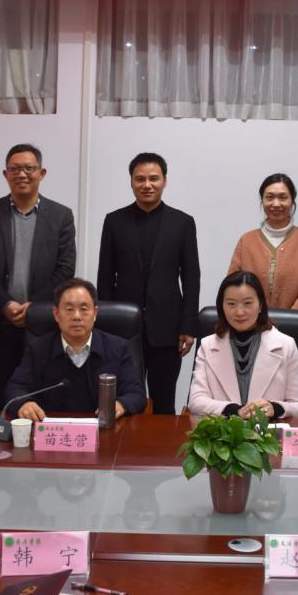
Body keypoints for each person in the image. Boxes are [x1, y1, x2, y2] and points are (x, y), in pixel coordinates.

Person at [0, 144, 76, 405]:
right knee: (1, 399)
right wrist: (6, 304)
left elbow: (65, 268)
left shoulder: (61, 215)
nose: (22, 174)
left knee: (44, 398)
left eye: (29, 168)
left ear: (42, 173)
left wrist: (34, 307)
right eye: (15, 169)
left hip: (43, 325)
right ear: (5, 174)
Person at [97, 152, 200, 415]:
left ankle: (162, 443)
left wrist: (188, 326)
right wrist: (105, 322)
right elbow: (105, 276)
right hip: (123, 329)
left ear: (165, 181)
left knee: (164, 401)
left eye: (154, 178)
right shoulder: (114, 221)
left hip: (167, 328)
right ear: (131, 182)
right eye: (140, 179)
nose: (147, 185)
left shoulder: (182, 223)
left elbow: (191, 278)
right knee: (123, 399)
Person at [5, 278, 146, 420]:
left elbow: (136, 393)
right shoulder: (39, 348)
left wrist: (121, 404)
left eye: (84, 309)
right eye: (69, 309)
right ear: (56, 314)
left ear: (95, 313)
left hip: (102, 427)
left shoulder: (119, 348)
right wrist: (24, 403)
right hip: (52, 428)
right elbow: (16, 387)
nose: (76, 316)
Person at [188, 270, 298, 419]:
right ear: (221, 306)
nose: (239, 312)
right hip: (223, 431)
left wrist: (275, 408)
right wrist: (234, 410)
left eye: (247, 303)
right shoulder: (207, 346)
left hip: (269, 430)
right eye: (231, 304)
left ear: (261, 305)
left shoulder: (286, 345)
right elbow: (196, 401)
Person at [227, 173, 298, 312]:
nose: (276, 204)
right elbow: (232, 286)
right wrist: (256, 318)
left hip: (294, 323)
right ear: (262, 201)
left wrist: (288, 320)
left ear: (292, 201)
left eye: (283, 197)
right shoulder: (246, 241)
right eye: (269, 197)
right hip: (251, 322)